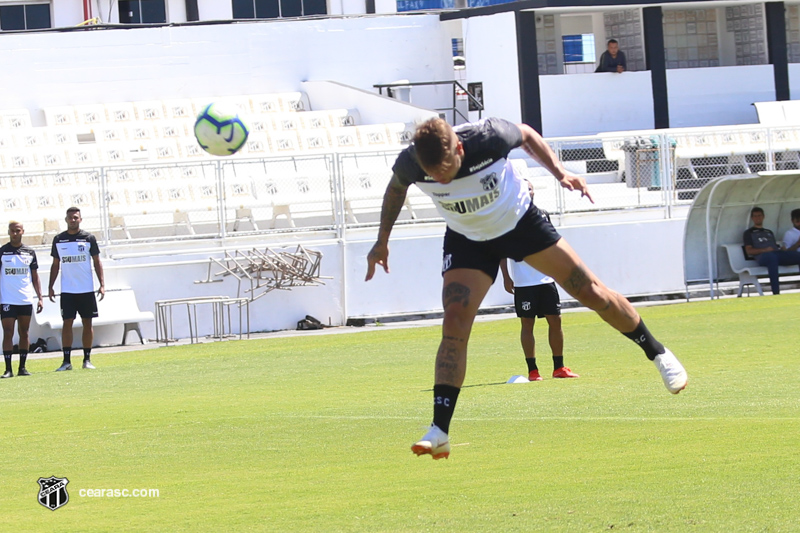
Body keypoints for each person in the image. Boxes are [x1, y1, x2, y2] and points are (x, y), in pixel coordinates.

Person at [364, 117, 687, 460]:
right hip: (468, 238)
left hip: (518, 223)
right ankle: (439, 430)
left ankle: (658, 353)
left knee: (590, 292)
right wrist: (381, 241)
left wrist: (560, 172)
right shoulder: (411, 161)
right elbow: (396, 189)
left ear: (460, 148)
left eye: (448, 169)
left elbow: (528, 134)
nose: (443, 179)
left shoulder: (487, 137)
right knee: (454, 322)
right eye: (436, 174)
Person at [500, 257, 578, 381]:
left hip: (546, 282)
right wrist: (506, 276)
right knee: (527, 324)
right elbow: (501, 254)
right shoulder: (508, 236)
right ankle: (533, 370)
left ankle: (559, 368)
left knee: (556, 321)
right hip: (523, 284)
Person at [48, 207, 105, 371]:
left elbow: (96, 262)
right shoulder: (59, 239)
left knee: (88, 322)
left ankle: (87, 360)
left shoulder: (88, 238)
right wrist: (50, 287)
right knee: (67, 323)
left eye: (76, 218)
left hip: (86, 290)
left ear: (80, 219)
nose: (73, 220)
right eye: (70, 218)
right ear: (66, 220)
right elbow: (55, 265)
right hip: (68, 291)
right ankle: (66, 362)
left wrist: (102, 284)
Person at [0, 222, 44, 378]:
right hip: (7, 299)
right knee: (7, 332)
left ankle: (22, 367)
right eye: (12, 231)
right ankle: (7, 369)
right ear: (8, 232)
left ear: (22, 232)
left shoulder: (29, 252)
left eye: (17, 231)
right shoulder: (3, 252)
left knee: (24, 332)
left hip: (25, 299)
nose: (15, 233)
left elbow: (34, 277)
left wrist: (40, 297)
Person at [743, 206, 800, 295]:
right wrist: (765, 250)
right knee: (771, 257)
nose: (758, 218)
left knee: (797, 255)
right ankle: (776, 292)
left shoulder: (768, 232)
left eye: (759, 215)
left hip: (775, 253)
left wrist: (783, 250)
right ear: (752, 218)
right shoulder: (748, 233)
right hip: (763, 256)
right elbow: (749, 251)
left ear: (763, 216)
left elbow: (774, 247)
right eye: (755, 216)